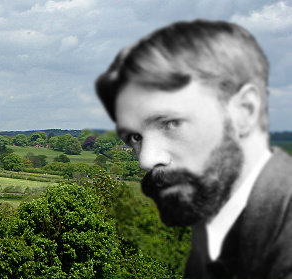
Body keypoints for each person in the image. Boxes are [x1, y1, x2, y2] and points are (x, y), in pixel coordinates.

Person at [95, 19, 292, 278]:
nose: (145, 160)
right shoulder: (210, 226)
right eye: (134, 136)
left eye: (171, 123)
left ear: (245, 111)